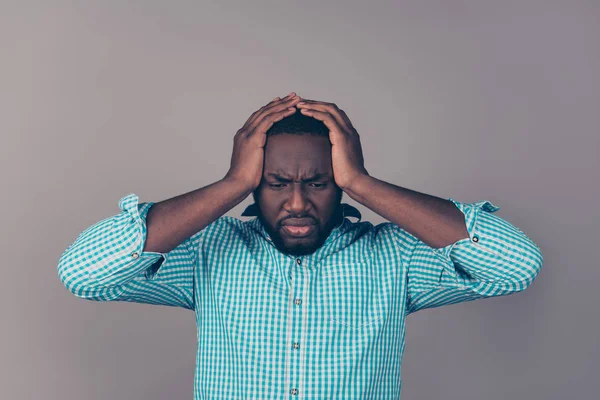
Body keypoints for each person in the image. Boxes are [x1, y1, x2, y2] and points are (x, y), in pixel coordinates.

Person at [57, 92, 543, 399]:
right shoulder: (207, 252)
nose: (296, 203)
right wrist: (231, 183)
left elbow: (515, 266)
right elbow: (84, 273)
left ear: (340, 186)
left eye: (319, 183)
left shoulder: (396, 257)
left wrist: (363, 181)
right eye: (273, 183)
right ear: (253, 186)